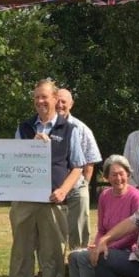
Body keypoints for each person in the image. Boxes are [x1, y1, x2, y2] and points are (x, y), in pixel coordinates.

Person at [0, 79, 85, 277]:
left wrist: (63, 190)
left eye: (44, 97)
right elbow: (13, 161)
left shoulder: (69, 130)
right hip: (24, 199)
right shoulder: (24, 128)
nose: (39, 101)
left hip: (53, 201)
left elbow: (77, 166)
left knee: (52, 253)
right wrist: (30, 148)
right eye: (36, 97)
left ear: (56, 99)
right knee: (21, 251)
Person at [58, 155, 139, 277]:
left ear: (128, 174)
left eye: (121, 173)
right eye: (113, 174)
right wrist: (98, 244)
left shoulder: (136, 196)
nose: (118, 178)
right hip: (106, 245)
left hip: (127, 249)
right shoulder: (104, 195)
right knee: (75, 256)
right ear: (106, 176)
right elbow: (102, 229)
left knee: (89, 258)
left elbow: (135, 233)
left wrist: (104, 247)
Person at [56, 88, 102, 249]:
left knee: (79, 228)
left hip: (76, 186)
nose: (60, 105)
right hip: (52, 187)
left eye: (64, 102)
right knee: (54, 232)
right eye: (57, 100)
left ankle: (79, 261)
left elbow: (90, 162)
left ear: (71, 104)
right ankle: (53, 269)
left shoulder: (81, 129)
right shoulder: (46, 126)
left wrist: (84, 185)